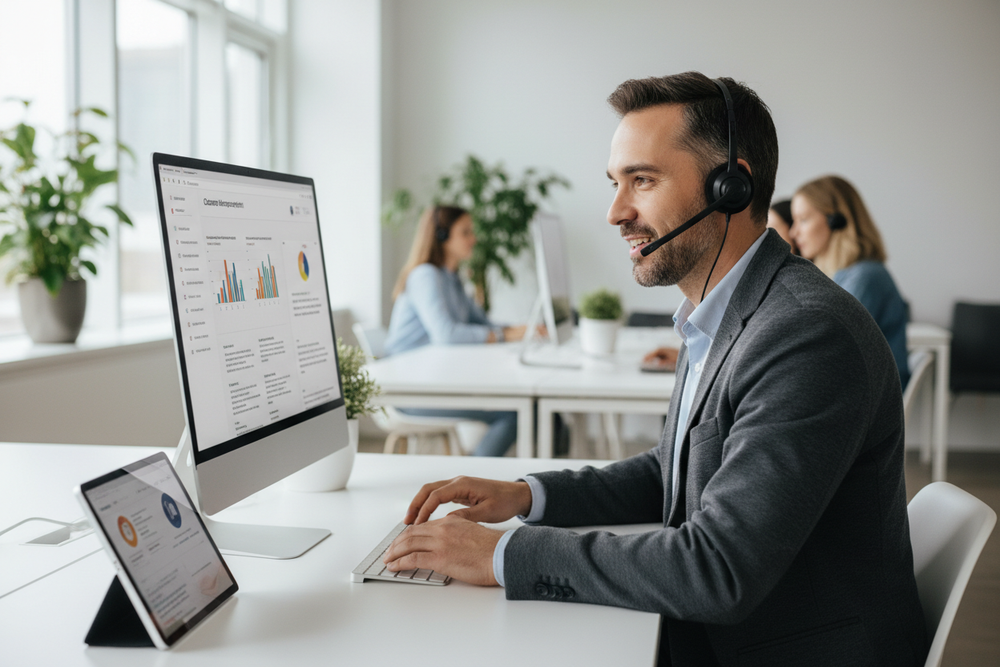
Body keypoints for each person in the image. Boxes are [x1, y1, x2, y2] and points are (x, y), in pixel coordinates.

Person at [383, 72, 928, 666]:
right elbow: (673, 472)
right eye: (617, 183)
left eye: (642, 180)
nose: (617, 212)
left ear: (731, 187)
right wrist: (525, 496)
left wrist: (499, 555)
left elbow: (717, 569)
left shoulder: (805, 333)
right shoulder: (717, 313)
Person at [383, 205, 526, 457]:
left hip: (435, 382)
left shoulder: (451, 278)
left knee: (517, 409)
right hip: (411, 393)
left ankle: (473, 478)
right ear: (441, 236)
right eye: (465, 232)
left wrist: (518, 329)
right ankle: (471, 484)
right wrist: (506, 335)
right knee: (513, 413)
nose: (474, 238)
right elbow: (446, 334)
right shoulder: (425, 276)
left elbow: (482, 325)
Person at [790, 175, 910, 388]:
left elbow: (829, 350)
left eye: (804, 219)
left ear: (836, 220)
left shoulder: (864, 277)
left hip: (867, 398)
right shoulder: (842, 276)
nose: (793, 232)